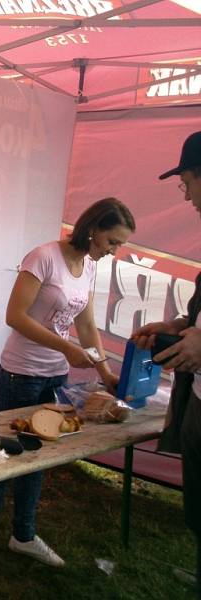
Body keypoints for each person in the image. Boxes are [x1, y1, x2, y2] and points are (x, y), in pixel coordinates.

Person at [0, 197, 136, 586]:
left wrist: (106, 372)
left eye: (119, 245)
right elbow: (14, 316)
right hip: (21, 374)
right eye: (112, 242)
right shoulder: (43, 257)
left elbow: (87, 329)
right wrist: (66, 349)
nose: (113, 250)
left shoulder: (87, 267)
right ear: (93, 228)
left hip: (54, 377)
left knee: (42, 456)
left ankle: (23, 534)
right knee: (8, 458)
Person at [132, 130, 201, 595]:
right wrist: (175, 326)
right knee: (198, 507)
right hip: (198, 398)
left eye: (187, 182)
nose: (187, 194)